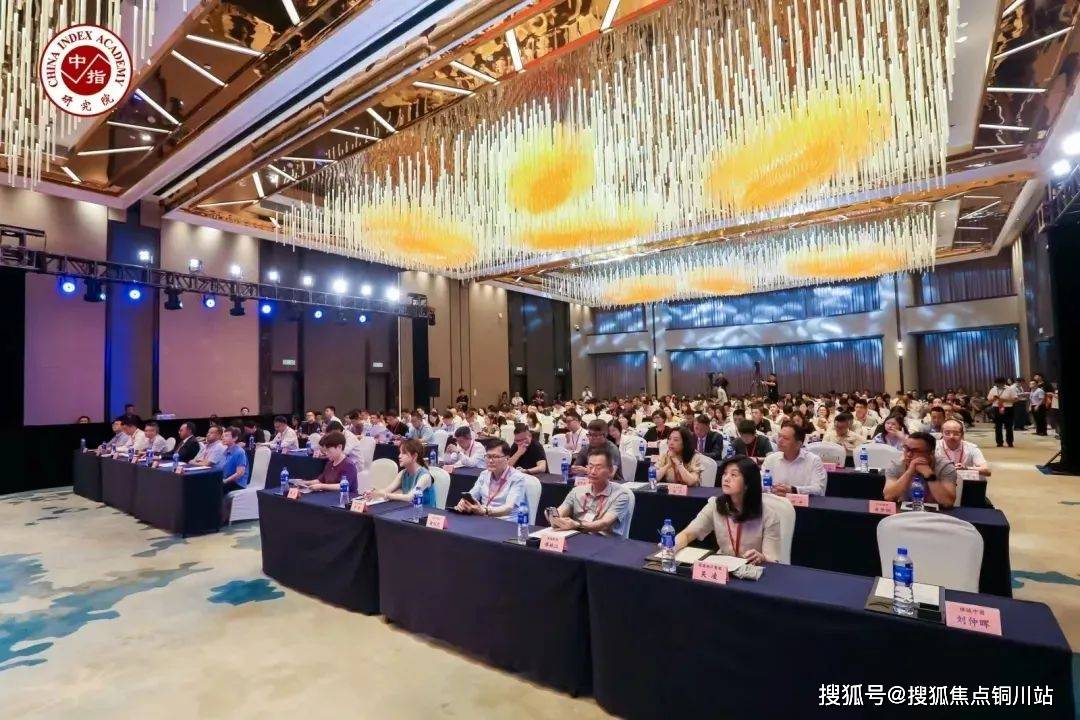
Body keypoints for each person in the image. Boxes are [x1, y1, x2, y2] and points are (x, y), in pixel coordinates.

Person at [673, 456, 783, 565]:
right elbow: (688, 534)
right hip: (724, 566)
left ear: (748, 483)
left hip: (752, 568)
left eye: (733, 475)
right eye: (725, 473)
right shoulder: (715, 505)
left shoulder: (769, 516)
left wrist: (761, 558)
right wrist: (671, 548)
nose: (726, 478)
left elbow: (772, 560)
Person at [550, 447, 633, 537]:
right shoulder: (577, 491)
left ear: (610, 470)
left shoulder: (621, 495)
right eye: (590, 467)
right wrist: (554, 517)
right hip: (578, 537)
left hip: (605, 541)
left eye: (598, 468)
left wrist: (576, 525)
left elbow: (604, 523)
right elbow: (561, 511)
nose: (593, 472)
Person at [454, 441, 528, 520]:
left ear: (507, 458)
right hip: (485, 519)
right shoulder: (484, 474)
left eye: (495, 457)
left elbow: (509, 507)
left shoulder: (518, 478)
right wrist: (464, 502)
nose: (490, 461)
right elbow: (472, 495)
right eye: (488, 456)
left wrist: (485, 511)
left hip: (507, 521)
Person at [883, 431, 957, 508]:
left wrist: (929, 474)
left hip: (936, 513)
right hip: (904, 513)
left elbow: (947, 502)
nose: (908, 454)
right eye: (907, 449)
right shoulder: (896, 465)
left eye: (915, 451)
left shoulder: (945, 467)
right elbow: (888, 497)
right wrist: (909, 472)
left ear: (931, 453)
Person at [761, 422, 827, 496]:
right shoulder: (771, 459)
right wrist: (772, 489)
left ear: (798, 444)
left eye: (786, 438)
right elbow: (760, 483)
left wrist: (793, 490)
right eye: (779, 436)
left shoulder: (814, 461)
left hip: (801, 503)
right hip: (775, 501)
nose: (780, 441)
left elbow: (819, 489)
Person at [374, 439, 435, 506]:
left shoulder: (425, 476)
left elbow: (410, 497)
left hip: (426, 511)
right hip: (411, 510)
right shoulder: (403, 473)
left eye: (404, 453)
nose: (399, 456)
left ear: (414, 456)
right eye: (400, 453)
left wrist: (386, 495)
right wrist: (373, 493)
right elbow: (387, 490)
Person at [216, 427, 249, 494]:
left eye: (226, 436)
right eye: (223, 436)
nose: (223, 438)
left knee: (214, 489)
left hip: (237, 483)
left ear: (235, 438)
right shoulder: (225, 451)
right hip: (226, 480)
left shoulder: (240, 451)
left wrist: (224, 481)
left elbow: (240, 473)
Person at [987, 377, 1017, 448]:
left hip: (1008, 408)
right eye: (997, 384)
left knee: (1009, 426)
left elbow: (1015, 399)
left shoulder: (1010, 389)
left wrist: (1005, 400)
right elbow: (989, 400)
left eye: (1000, 384)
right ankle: (999, 442)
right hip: (996, 408)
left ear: (1004, 383)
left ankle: (1010, 442)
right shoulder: (993, 389)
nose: (999, 385)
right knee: (998, 426)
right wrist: (993, 399)